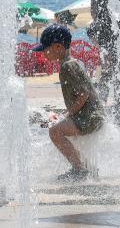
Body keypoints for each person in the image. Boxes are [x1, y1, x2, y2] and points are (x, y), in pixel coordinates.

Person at [34, 24, 105, 181]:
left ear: (58, 47)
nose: (43, 54)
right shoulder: (71, 62)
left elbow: (84, 94)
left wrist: (67, 114)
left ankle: (80, 170)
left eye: (45, 49)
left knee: (55, 132)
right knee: (57, 126)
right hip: (93, 114)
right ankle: (86, 168)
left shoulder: (67, 66)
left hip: (90, 117)